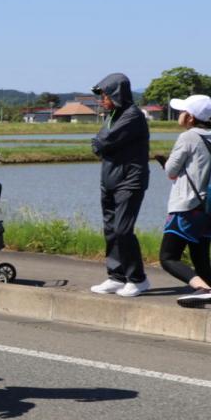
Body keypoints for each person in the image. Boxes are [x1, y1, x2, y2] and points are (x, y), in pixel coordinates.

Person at [90, 72, 151, 297]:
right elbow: (98, 144)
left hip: (129, 181)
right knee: (110, 230)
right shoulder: (113, 115)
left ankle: (138, 279)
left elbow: (103, 141)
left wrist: (100, 143)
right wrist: (99, 143)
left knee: (123, 230)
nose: (102, 99)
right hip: (109, 180)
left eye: (105, 95)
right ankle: (116, 276)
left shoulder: (133, 115)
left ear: (117, 94)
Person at [157, 95, 211, 307]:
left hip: (188, 205)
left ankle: (203, 288)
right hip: (208, 207)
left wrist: (166, 164)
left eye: (182, 112)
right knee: (200, 257)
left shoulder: (188, 137)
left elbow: (171, 170)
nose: (179, 115)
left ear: (190, 118)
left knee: (168, 257)